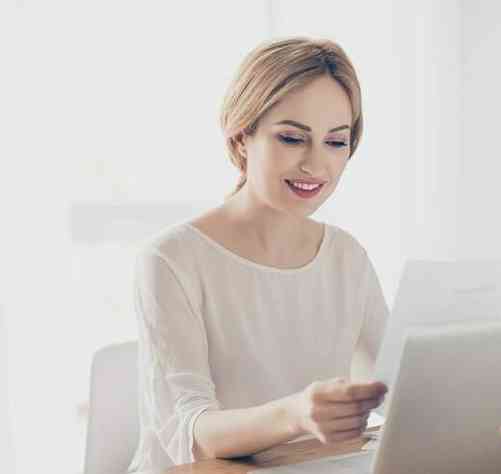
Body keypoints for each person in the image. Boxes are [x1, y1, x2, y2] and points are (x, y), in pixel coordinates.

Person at [128, 37, 389, 472]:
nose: (316, 165)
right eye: (292, 138)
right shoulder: (171, 259)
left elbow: (392, 378)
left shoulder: (346, 255)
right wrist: (295, 414)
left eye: (336, 142)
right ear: (242, 135)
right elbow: (190, 436)